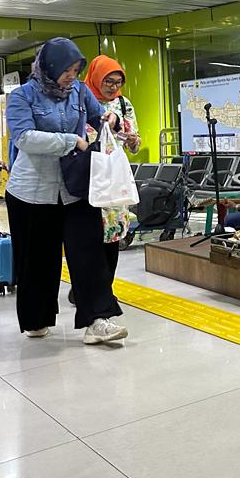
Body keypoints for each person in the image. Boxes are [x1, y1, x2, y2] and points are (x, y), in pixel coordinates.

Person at [4, 37, 127, 343]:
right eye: (67, 69)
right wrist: (71, 141)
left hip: (74, 187)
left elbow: (98, 114)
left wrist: (110, 118)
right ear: (49, 66)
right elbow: (25, 138)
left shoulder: (79, 92)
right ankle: (36, 318)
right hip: (31, 192)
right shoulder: (22, 96)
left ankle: (97, 320)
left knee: (89, 254)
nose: (72, 75)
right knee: (38, 260)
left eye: (76, 69)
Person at [79, 55, 142, 297]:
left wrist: (134, 140)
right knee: (88, 235)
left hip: (115, 177)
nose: (114, 87)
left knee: (113, 233)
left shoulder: (123, 104)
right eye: (108, 81)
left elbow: (132, 142)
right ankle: (85, 288)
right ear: (95, 78)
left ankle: (105, 288)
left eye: (118, 82)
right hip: (87, 175)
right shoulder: (80, 100)